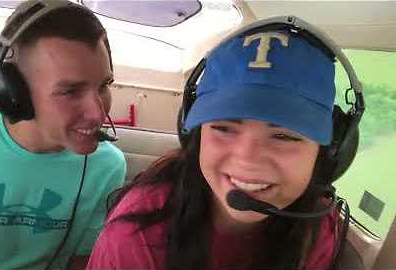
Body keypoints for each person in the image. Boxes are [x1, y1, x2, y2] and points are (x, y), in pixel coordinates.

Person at [86, 16, 364, 270]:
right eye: (223, 127)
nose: (247, 159)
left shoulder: (321, 233)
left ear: (329, 151)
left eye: (283, 136)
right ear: (194, 134)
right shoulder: (135, 236)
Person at [0, 0, 126, 269]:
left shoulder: (106, 167)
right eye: (71, 91)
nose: (98, 113)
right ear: (13, 91)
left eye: (104, 85)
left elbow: (82, 260)